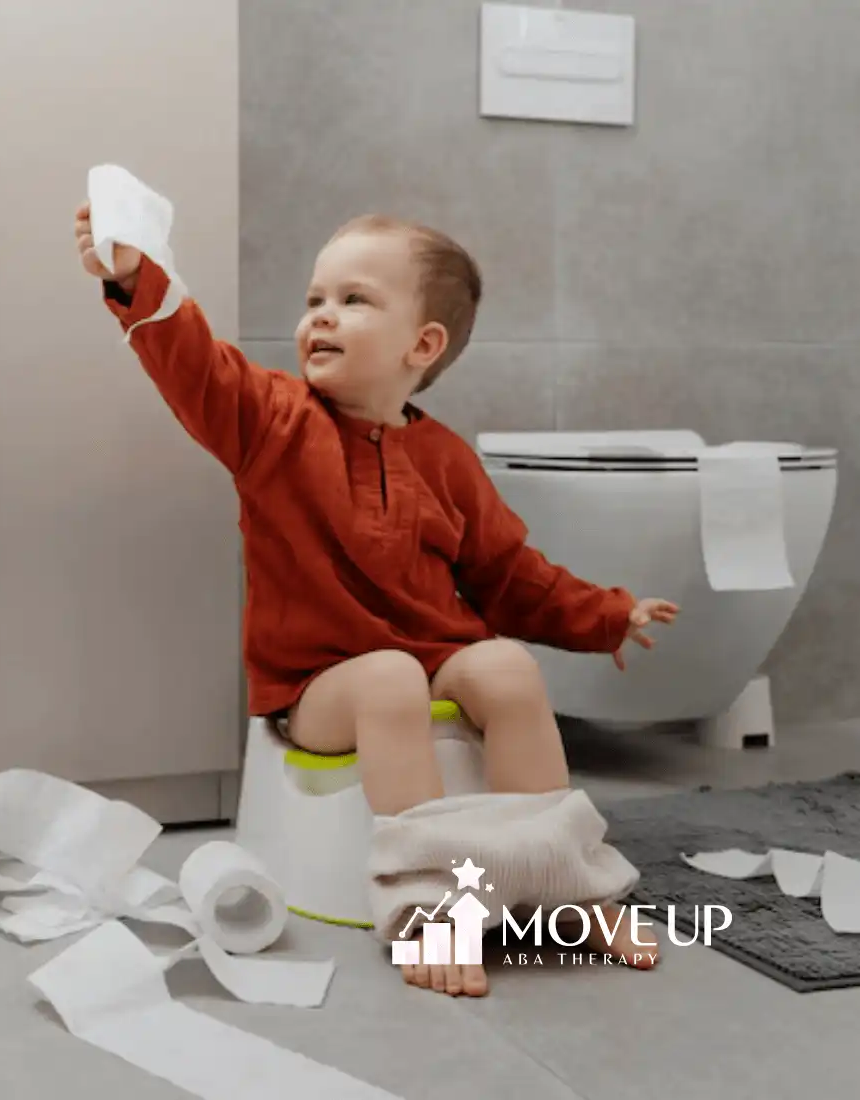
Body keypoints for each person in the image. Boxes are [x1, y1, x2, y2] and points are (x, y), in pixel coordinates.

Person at [74, 202, 676, 997]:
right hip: (318, 684)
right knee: (389, 676)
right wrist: (131, 278)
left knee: (503, 667)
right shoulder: (270, 422)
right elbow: (193, 364)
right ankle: (431, 913)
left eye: (353, 300)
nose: (320, 315)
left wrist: (603, 614)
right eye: (314, 299)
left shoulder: (446, 459)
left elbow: (507, 574)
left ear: (421, 346)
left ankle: (559, 884)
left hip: (428, 660)